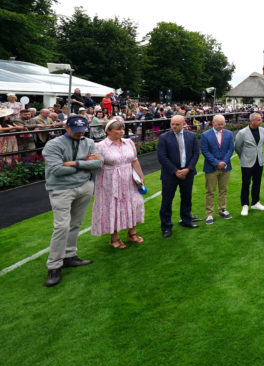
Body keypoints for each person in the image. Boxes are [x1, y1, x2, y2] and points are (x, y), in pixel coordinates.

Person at [42, 116, 103, 287]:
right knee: (61, 226)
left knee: (75, 224)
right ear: (66, 127)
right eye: (76, 130)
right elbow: (56, 170)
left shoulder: (88, 141)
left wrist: (74, 163)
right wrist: (84, 164)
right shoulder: (54, 144)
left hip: (84, 186)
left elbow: (99, 163)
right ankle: (54, 266)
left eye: (83, 130)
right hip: (61, 189)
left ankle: (70, 256)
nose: (80, 133)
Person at [91, 118, 145, 249]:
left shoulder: (129, 142)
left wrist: (141, 176)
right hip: (109, 181)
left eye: (123, 129)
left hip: (129, 178)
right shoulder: (100, 146)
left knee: (134, 202)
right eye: (118, 129)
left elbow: (134, 160)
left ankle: (132, 233)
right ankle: (114, 237)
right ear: (108, 131)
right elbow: (94, 165)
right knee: (113, 206)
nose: (122, 132)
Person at [157, 115, 201, 237]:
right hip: (170, 174)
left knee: (186, 198)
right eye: (172, 124)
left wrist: (188, 169)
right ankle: (166, 227)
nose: (174, 126)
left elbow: (196, 153)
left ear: (183, 124)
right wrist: (175, 171)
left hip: (187, 173)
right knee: (167, 201)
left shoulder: (191, 136)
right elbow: (162, 157)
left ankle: (186, 220)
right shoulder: (164, 137)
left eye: (177, 124)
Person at [200, 114, 235, 224]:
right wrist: (216, 162)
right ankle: (209, 214)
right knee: (210, 191)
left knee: (223, 190)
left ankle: (222, 209)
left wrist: (223, 162)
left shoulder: (229, 134)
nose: (220, 126)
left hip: (225, 166)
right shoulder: (205, 135)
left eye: (222, 124)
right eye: (218, 124)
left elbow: (231, 149)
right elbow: (205, 151)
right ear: (213, 123)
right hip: (211, 167)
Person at [234, 112, 264, 216]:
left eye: (260, 119)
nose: (261, 121)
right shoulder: (242, 133)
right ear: (252, 121)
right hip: (247, 162)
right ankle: (245, 205)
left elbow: (261, 144)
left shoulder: (263, 130)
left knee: (257, 182)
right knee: (246, 184)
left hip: (259, 161)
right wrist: (243, 157)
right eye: (258, 120)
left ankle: (255, 202)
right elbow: (238, 147)